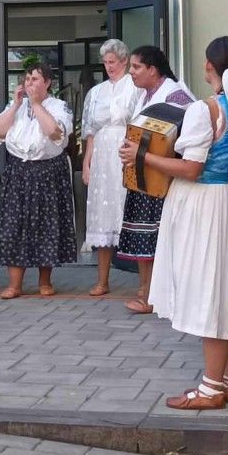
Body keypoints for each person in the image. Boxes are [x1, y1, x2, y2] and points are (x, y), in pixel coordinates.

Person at [147, 36, 228, 409]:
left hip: (205, 206)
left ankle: (211, 389)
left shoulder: (206, 110)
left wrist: (144, 156)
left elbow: (192, 169)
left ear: (208, 66)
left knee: (210, 290)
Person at [116, 45, 195, 314]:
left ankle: (157, 295)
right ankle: (146, 290)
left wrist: (143, 152)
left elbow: (183, 138)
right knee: (144, 236)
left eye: (136, 67)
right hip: (144, 178)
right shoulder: (145, 96)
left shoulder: (177, 97)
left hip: (163, 179)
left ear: (153, 69)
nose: (131, 72)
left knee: (160, 238)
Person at [0, 64, 78, 299]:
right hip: (18, 170)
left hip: (47, 170)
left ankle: (45, 281)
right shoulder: (16, 106)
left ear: (47, 83)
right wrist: (16, 105)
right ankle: (14, 284)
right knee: (13, 225)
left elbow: (55, 133)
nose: (29, 83)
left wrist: (37, 105)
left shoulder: (59, 106)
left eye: (35, 79)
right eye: (27, 79)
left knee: (45, 224)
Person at [81, 39, 138, 296]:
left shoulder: (134, 87)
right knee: (103, 214)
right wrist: (87, 162)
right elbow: (90, 132)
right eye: (105, 62)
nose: (109, 67)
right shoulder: (96, 92)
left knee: (129, 209)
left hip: (125, 150)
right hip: (102, 154)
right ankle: (102, 280)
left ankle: (144, 284)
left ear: (124, 61)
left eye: (113, 62)